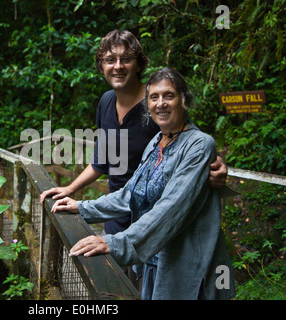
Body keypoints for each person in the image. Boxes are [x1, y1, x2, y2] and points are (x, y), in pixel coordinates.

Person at [50, 68, 235, 300]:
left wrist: (116, 243)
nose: (161, 104)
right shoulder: (156, 142)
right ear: (147, 105)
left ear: (184, 100)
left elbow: (171, 208)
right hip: (153, 261)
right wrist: (82, 207)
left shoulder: (199, 145)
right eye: (154, 97)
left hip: (185, 263)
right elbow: (129, 194)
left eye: (169, 96)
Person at [40, 30, 227, 237]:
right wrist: (70, 188)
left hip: (152, 222)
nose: (118, 66)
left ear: (138, 64)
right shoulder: (106, 102)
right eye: (110, 60)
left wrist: (217, 163)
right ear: (101, 67)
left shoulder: (157, 102)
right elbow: (101, 161)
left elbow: (189, 140)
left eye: (126, 59)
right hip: (114, 213)